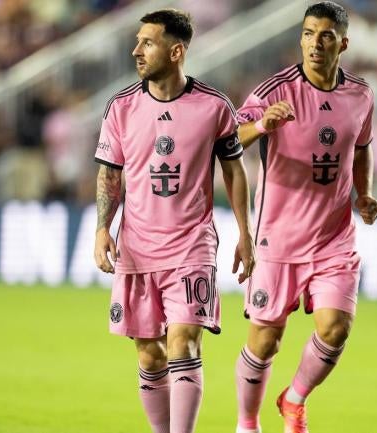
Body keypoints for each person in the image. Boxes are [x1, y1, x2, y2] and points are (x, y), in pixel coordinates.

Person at [92, 9, 255, 433]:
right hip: (137, 247)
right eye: (138, 41)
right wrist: (101, 230)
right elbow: (110, 172)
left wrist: (245, 232)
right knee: (149, 353)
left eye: (147, 42)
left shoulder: (214, 107)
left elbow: (234, 170)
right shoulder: (122, 107)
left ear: (176, 50)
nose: (136, 50)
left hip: (191, 245)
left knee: (183, 341)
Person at [233, 2, 377, 432]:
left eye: (326, 35)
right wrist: (262, 126)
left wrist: (365, 193)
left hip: (334, 236)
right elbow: (229, 138)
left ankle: (294, 399)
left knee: (335, 328)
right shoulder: (273, 91)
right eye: (309, 33)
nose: (316, 43)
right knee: (265, 342)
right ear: (300, 38)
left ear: (343, 43)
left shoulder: (361, 95)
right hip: (277, 238)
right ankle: (247, 423)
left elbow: (363, 145)